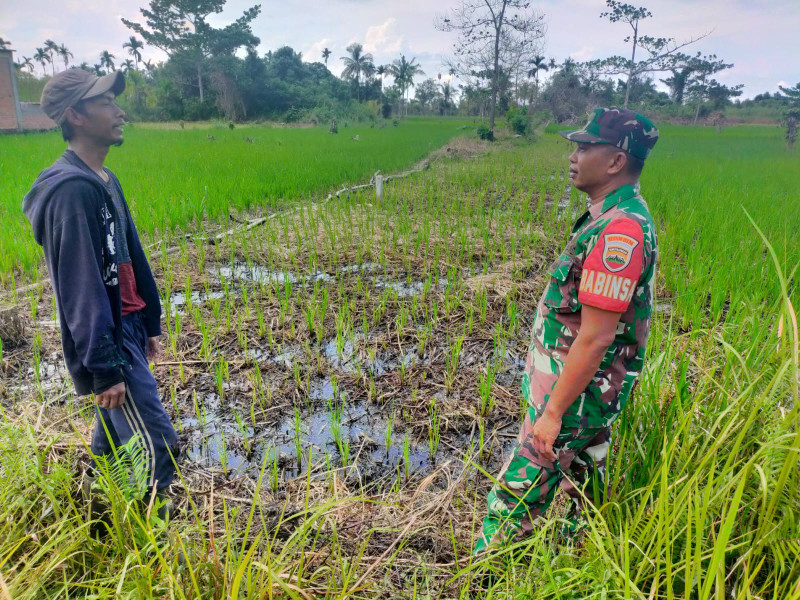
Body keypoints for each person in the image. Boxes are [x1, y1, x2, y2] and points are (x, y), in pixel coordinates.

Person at [475, 107, 659, 553]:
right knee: (587, 475)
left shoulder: (620, 231)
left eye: (584, 147)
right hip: (582, 391)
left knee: (518, 491)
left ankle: (486, 574)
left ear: (616, 161)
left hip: (575, 393)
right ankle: (577, 556)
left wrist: (553, 412)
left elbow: (596, 337)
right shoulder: (609, 216)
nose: (572, 156)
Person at [22, 69, 178, 509]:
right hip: (107, 336)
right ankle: (153, 550)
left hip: (126, 325)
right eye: (106, 102)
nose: (119, 110)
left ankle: (98, 520)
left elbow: (129, 257)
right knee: (157, 445)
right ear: (76, 115)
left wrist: (148, 320)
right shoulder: (71, 192)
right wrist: (104, 368)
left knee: (112, 441)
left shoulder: (104, 180)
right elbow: (79, 286)